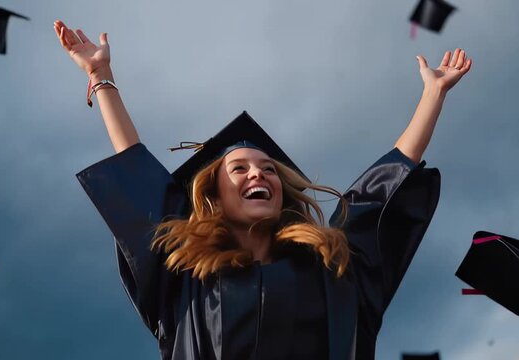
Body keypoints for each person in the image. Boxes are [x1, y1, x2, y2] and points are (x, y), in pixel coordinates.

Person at [54, 20, 472, 360]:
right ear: (214, 197)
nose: (259, 175)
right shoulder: (184, 279)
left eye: (268, 169)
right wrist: (101, 77)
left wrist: (432, 96)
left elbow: (376, 199)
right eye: (238, 169)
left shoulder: (335, 271)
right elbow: (141, 179)